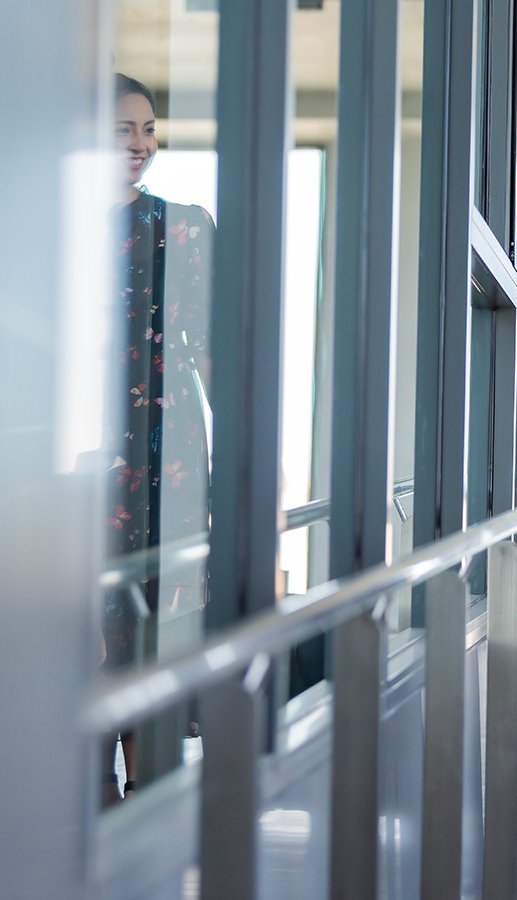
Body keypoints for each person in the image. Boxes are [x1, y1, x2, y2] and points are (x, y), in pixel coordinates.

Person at [102, 73, 214, 805]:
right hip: (77, 457)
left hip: (165, 453)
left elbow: (217, 353)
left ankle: (143, 809)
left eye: (149, 130)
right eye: (124, 131)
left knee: (150, 635)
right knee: (79, 634)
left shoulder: (186, 227)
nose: (143, 145)